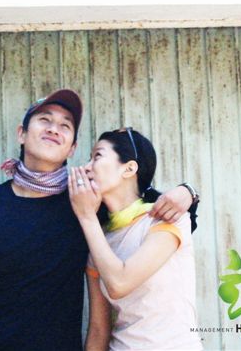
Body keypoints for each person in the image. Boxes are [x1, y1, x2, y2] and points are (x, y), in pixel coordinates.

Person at [0, 89, 199, 351]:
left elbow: (144, 216)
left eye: (65, 125)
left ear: (72, 148)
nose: (54, 129)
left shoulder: (86, 208)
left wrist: (187, 193)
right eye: (44, 120)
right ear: (22, 134)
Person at [68, 128, 202, 351]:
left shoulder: (166, 219)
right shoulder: (99, 239)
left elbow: (119, 283)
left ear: (129, 168)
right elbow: (99, 329)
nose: (86, 167)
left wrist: (87, 215)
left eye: (97, 156)